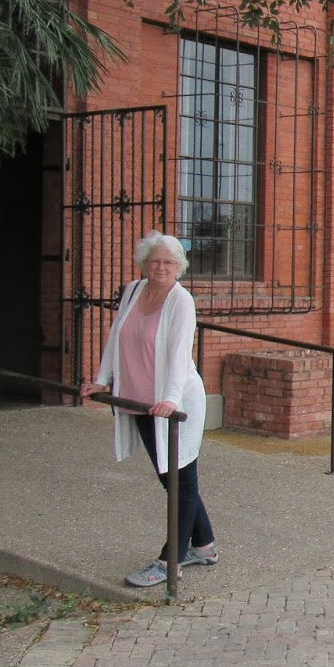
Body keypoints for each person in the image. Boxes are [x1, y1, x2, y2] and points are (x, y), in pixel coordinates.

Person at [80, 231, 218, 587]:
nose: (161, 267)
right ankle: (203, 546)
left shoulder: (181, 301)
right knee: (168, 477)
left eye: (169, 262)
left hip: (175, 403)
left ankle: (169, 560)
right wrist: (102, 380)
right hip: (140, 401)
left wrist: (171, 400)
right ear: (144, 264)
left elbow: (178, 353)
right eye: (155, 261)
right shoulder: (133, 291)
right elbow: (116, 338)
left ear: (179, 267)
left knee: (181, 480)